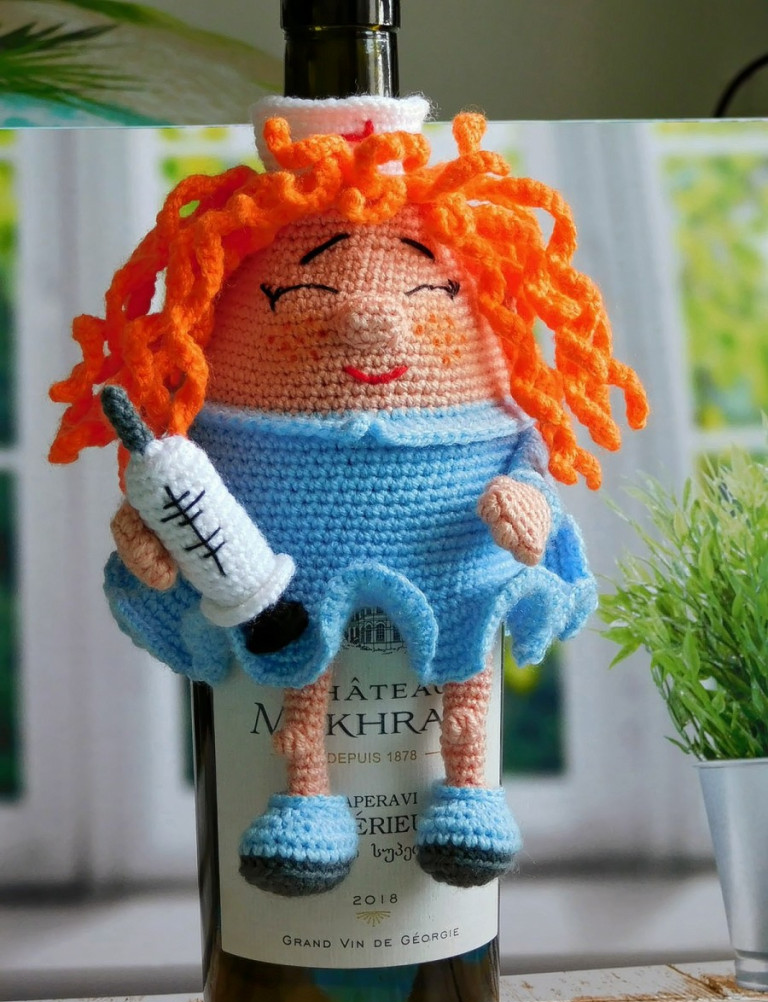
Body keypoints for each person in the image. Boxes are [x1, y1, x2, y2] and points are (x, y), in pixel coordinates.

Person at [50, 107, 648, 896]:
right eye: (310, 290)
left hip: (448, 547)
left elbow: (526, 454)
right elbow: (180, 483)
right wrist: (155, 528)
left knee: (463, 634)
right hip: (273, 550)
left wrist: (526, 495)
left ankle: (469, 786)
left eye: (428, 289)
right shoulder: (221, 412)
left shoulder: (475, 358)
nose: (373, 320)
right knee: (297, 655)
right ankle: (306, 795)